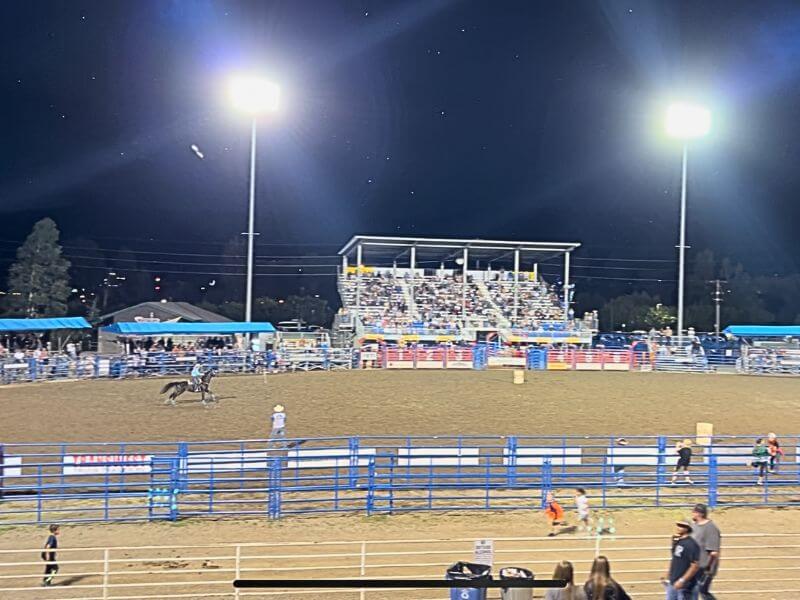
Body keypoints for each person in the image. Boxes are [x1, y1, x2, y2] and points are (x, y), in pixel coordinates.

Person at [662, 520, 700, 600]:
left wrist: (682, 580)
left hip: (684, 586)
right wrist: (668, 575)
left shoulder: (691, 545)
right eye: (678, 525)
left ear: (688, 529)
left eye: (682, 526)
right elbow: (675, 560)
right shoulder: (678, 541)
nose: (678, 527)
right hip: (673, 583)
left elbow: (695, 566)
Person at [691, 504, 721, 600]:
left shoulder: (710, 528)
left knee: (702, 591)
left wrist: (708, 569)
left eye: (694, 512)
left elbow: (713, 552)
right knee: (692, 589)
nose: (692, 513)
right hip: (695, 566)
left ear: (699, 513)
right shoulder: (694, 526)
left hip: (704, 567)